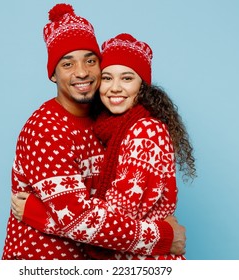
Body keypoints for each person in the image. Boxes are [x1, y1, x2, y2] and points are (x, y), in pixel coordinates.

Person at [2, 3, 186, 260]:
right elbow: (77, 218)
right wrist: (163, 237)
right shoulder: (46, 130)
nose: (82, 72)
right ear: (53, 74)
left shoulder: (113, 125)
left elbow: (108, 214)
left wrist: (39, 213)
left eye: (90, 61)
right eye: (67, 64)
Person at [84, 33, 197, 259]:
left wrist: (38, 213)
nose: (115, 88)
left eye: (127, 78)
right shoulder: (110, 129)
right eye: (107, 78)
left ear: (142, 86)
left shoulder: (144, 131)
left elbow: (114, 219)